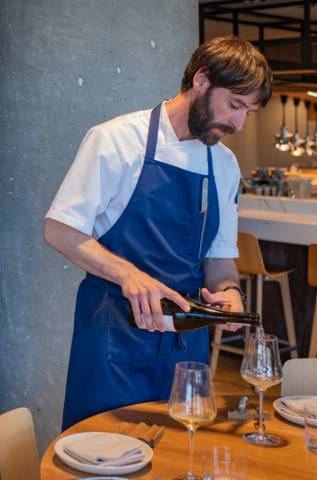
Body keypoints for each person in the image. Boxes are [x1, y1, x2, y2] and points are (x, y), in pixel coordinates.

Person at [43, 36, 272, 429]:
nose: (238, 123)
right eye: (234, 105)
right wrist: (130, 276)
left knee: (181, 453)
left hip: (188, 345)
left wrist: (230, 294)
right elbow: (59, 230)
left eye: (247, 112)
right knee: (103, 455)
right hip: (114, 334)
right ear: (201, 79)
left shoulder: (225, 164)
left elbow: (219, 261)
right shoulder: (116, 140)